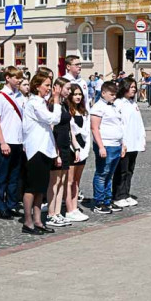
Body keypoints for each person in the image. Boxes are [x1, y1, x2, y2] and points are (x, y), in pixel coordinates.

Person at [21, 72, 62, 235]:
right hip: (35, 149)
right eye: (46, 85)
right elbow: (52, 119)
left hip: (45, 148)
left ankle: (38, 220)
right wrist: (57, 100)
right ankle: (28, 221)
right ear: (37, 86)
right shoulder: (34, 103)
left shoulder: (41, 102)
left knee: (41, 188)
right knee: (32, 187)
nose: (49, 88)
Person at [0, 67, 26, 220]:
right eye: (16, 77)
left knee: (14, 176)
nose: (19, 80)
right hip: (6, 141)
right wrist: (2, 142)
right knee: (3, 176)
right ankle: (1, 206)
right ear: (8, 78)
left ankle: (11, 204)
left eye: (20, 78)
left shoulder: (20, 96)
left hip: (18, 141)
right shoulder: (0, 97)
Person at [90, 81, 123, 214]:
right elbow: (95, 128)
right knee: (102, 173)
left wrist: (123, 143)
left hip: (116, 144)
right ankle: (99, 201)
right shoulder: (98, 107)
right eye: (111, 94)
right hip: (106, 144)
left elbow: (119, 125)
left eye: (115, 94)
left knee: (110, 174)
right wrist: (101, 146)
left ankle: (108, 200)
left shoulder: (113, 106)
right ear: (103, 93)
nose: (114, 97)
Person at [113, 78, 146, 208]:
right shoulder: (119, 103)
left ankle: (126, 194)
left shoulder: (133, 103)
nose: (133, 89)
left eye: (134, 87)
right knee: (121, 170)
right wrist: (122, 142)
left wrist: (142, 139)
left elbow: (139, 123)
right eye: (131, 86)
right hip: (124, 143)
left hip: (134, 143)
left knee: (129, 170)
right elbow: (119, 124)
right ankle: (118, 195)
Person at [46, 78, 73, 228]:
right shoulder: (52, 105)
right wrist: (55, 152)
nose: (69, 92)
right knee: (54, 182)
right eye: (67, 88)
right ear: (59, 88)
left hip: (65, 145)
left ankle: (57, 212)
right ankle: (51, 213)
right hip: (56, 145)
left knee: (62, 180)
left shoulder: (64, 104)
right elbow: (51, 128)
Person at [63, 83, 91, 222]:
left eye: (80, 94)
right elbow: (70, 131)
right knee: (69, 181)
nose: (78, 97)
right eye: (75, 94)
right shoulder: (67, 110)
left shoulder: (83, 111)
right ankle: (69, 209)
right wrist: (75, 148)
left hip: (83, 147)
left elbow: (86, 131)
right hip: (72, 148)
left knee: (77, 181)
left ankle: (75, 206)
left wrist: (84, 148)